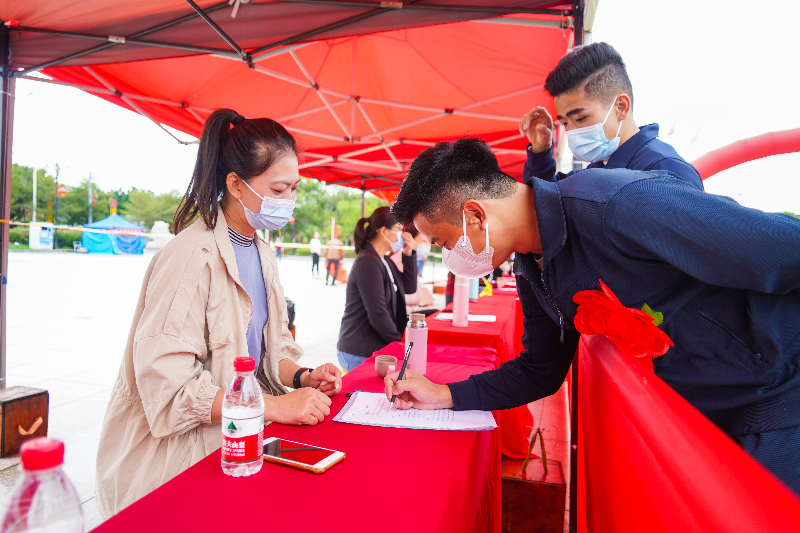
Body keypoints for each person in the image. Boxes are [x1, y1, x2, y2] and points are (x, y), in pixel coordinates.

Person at [386, 138, 800, 494]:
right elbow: (541, 369)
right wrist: (448, 395)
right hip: (706, 418)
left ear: (475, 215)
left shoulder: (620, 205)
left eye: (443, 240)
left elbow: (783, 250)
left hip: (776, 399)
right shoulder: (532, 265)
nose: (446, 254)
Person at [95, 109, 343, 517]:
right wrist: (275, 406)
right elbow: (169, 389)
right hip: (180, 464)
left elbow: (265, 353)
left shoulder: (263, 254)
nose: (289, 203)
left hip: (241, 444)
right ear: (235, 184)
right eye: (278, 190)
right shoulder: (190, 256)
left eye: (294, 189)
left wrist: (302, 377)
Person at [519, 42, 703, 190]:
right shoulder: (597, 171)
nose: (572, 132)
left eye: (581, 118)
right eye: (565, 123)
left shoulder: (666, 170)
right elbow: (543, 203)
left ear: (621, 107)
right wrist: (541, 147)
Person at [337, 207, 418, 371]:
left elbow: (408, 288)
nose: (401, 235)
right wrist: (399, 344)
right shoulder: (368, 263)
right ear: (383, 232)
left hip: (375, 345)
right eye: (397, 230)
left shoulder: (383, 261)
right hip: (359, 349)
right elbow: (378, 313)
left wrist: (409, 254)